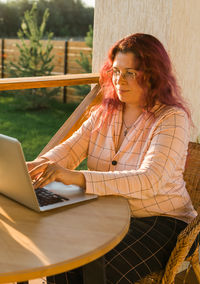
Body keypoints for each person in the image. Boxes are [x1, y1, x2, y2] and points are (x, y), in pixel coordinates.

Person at [27, 33, 197, 284]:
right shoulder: (103, 113)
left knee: (97, 271)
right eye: (116, 71)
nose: (120, 80)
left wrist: (76, 178)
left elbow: (151, 180)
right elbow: (68, 152)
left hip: (161, 220)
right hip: (107, 215)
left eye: (131, 73)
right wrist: (32, 167)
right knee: (61, 257)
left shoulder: (171, 118)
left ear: (153, 74)